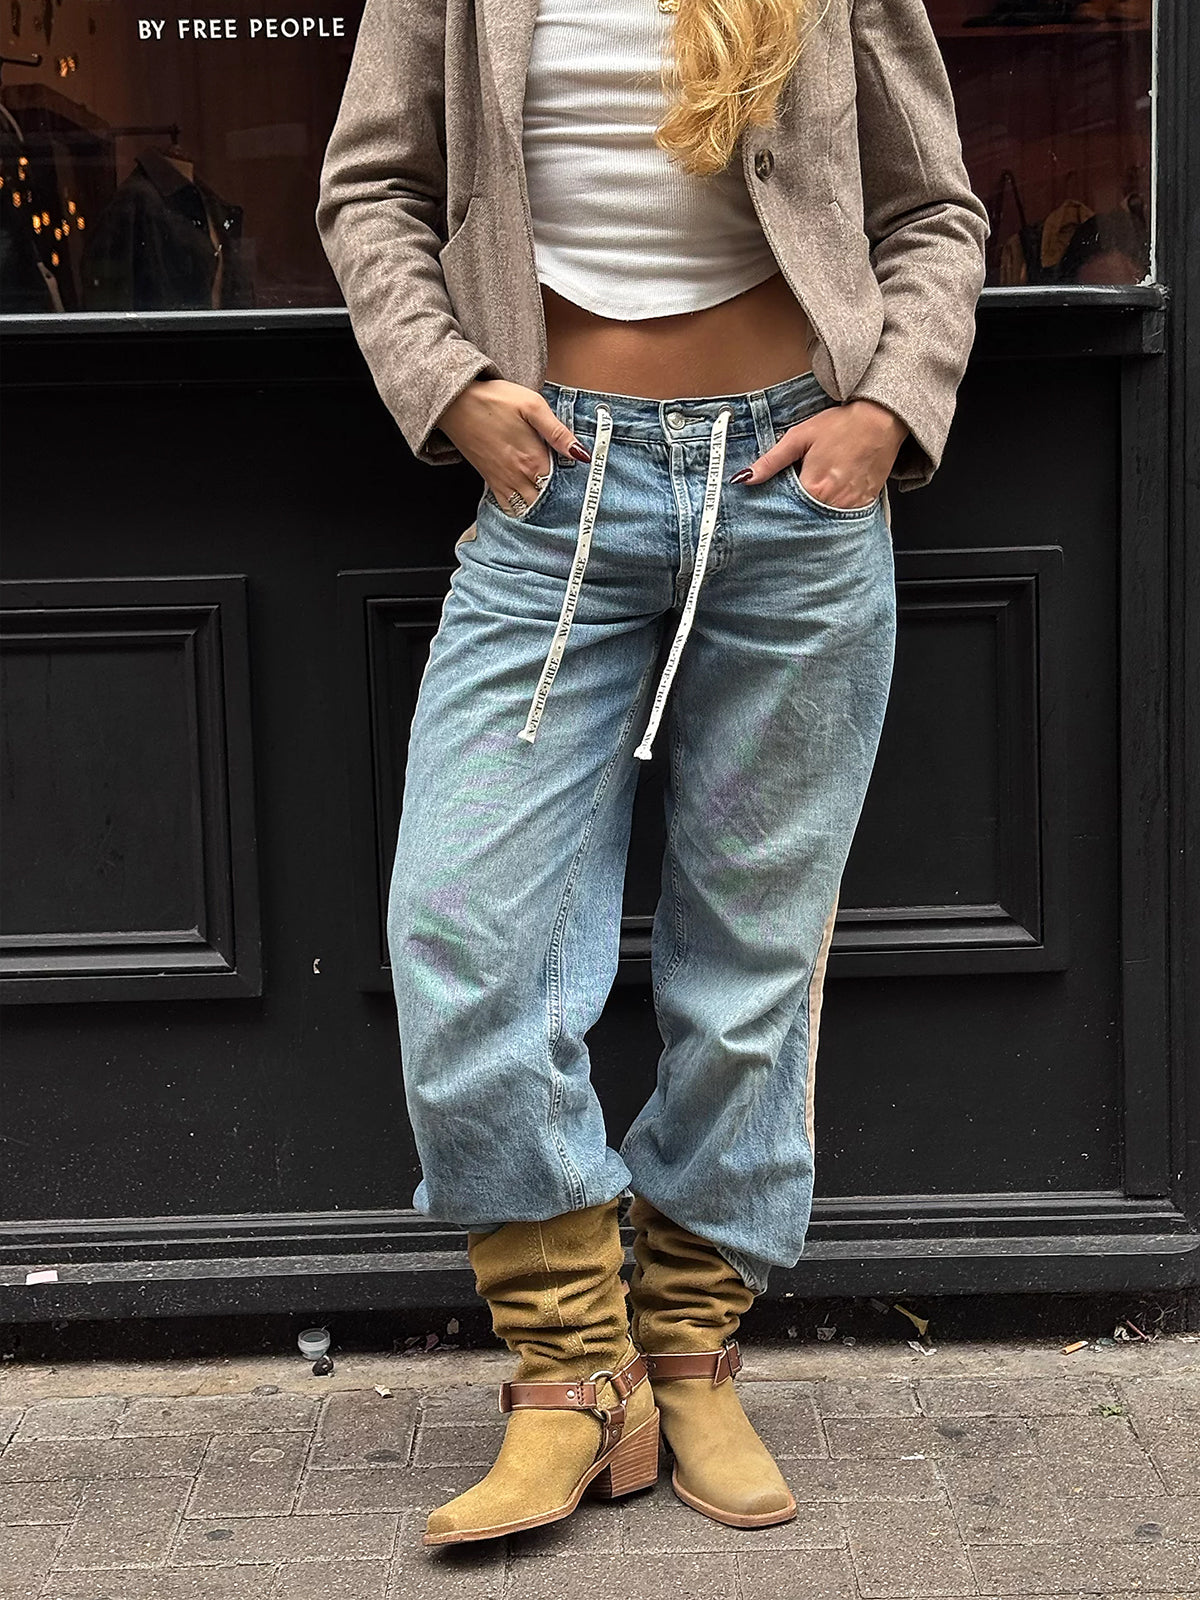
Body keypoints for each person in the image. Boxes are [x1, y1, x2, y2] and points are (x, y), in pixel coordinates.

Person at [317, 0, 990, 1548]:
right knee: (462, 931)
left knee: (754, 952)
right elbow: (371, 189)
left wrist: (890, 408)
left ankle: (690, 1351)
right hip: (555, 486)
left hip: (794, 494)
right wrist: (448, 386)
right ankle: (574, 1372)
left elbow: (933, 208)